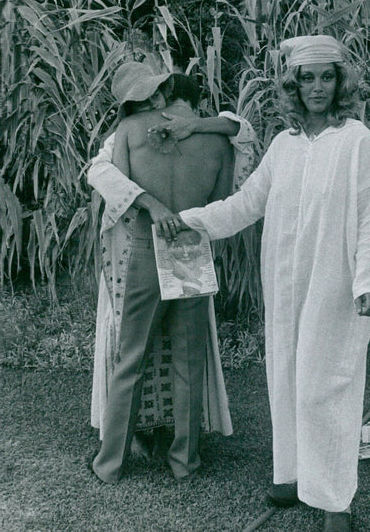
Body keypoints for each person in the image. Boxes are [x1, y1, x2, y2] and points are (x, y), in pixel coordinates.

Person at [155, 35, 370, 531]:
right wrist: (190, 219)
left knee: (324, 386)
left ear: (341, 81)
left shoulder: (355, 141)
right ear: (294, 84)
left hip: (336, 283)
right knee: (284, 377)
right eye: (308, 78)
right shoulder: (284, 147)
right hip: (283, 282)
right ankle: (293, 473)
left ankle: (334, 502)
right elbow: (245, 204)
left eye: (327, 76)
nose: (318, 87)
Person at [86, 61, 256, 483]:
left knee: (131, 359)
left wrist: (153, 204)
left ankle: (110, 464)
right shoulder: (218, 143)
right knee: (187, 361)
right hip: (193, 248)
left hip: (146, 247)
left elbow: (114, 187)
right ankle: (185, 461)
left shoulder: (127, 132)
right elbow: (221, 201)